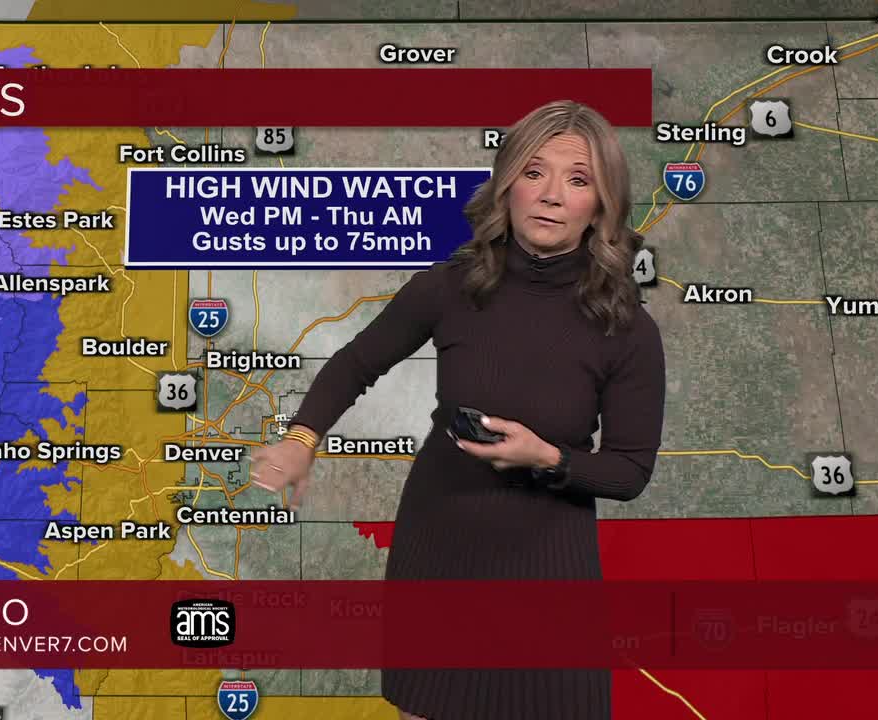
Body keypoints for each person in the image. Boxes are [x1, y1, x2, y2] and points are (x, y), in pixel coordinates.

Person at [249, 99, 667, 720]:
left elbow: (629, 471)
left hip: (549, 569)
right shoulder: (449, 286)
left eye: (578, 179)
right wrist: (300, 439)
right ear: (507, 185)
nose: (551, 194)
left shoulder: (626, 329)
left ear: (602, 204)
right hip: (439, 552)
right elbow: (355, 363)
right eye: (534, 172)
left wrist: (548, 458)